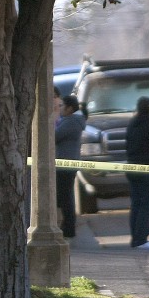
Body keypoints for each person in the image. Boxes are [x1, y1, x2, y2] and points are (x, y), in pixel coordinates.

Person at [125, 96, 149, 249]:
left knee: (136, 204)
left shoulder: (132, 124)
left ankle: (135, 238)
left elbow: (127, 145)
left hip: (132, 168)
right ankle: (141, 240)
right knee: (146, 205)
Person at [54, 94, 86, 238]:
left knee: (65, 197)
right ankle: (66, 225)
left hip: (65, 164)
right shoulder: (68, 120)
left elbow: (54, 135)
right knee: (64, 196)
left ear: (70, 108)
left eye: (62, 106)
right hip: (64, 162)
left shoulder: (71, 122)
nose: (60, 109)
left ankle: (68, 227)